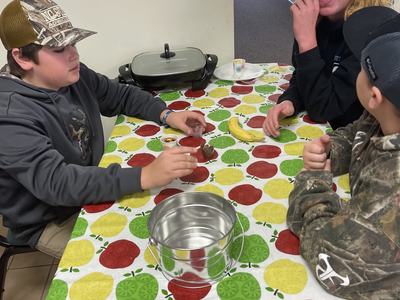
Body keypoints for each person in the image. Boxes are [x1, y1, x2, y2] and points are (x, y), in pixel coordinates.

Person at [0, 0, 206, 258]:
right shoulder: (8, 115)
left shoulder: (72, 75)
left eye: (73, 43)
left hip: (88, 188)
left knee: (174, 214)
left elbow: (120, 96)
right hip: (51, 219)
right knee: (139, 255)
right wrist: (145, 176)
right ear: (22, 57)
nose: (74, 54)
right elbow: (57, 183)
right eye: (59, 48)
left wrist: (168, 115)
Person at [287, 6, 400, 299]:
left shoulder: (391, 190)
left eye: (360, 66)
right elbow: (359, 130)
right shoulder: (384, 115)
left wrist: (313, 184)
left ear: (373, 95)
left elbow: (333, 263)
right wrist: (331, 150)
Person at [262, 0, 393, 137]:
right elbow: (302, 73)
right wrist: (290, 100)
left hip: (353, 142)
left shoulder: (368, 32)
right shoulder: (317, 20)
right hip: (322, 132)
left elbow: (323, 109)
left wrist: (307, 42)